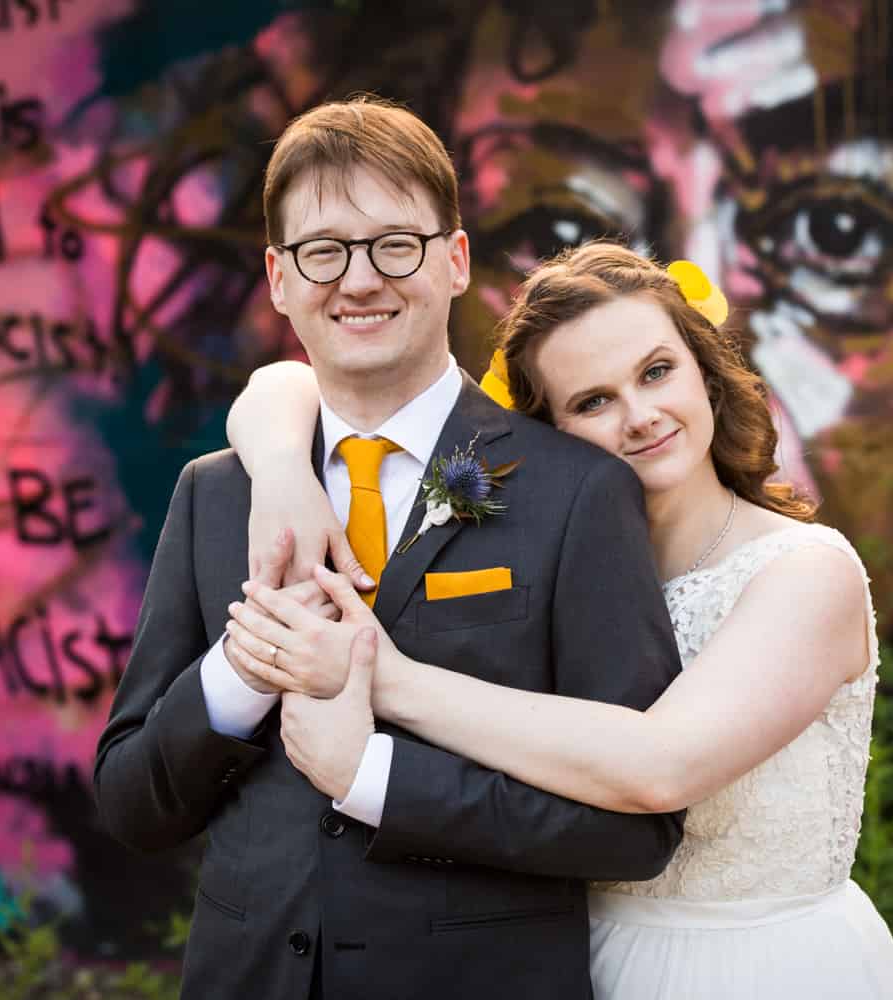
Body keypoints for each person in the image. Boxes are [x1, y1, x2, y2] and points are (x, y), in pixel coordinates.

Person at [94, 99, 685, 999]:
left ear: (454, 261)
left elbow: (636, 830)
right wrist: (237, 677)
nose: (359, 280)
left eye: (394, 245)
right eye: (323, 251)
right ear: (279, 278)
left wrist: (377, 781)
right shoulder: (219, 493)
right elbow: (133, 805)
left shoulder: (577, 492)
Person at [225, 241, 893, 998]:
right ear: (547, 434)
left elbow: (662, 767)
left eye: (657, 372)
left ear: (704, 371)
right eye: (593, 401)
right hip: (578, 962)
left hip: (763, 969)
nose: (641, 416)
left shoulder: (808, 572)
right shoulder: (556, 573)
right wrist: (285, 461)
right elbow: (284, 386)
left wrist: (387, 678)